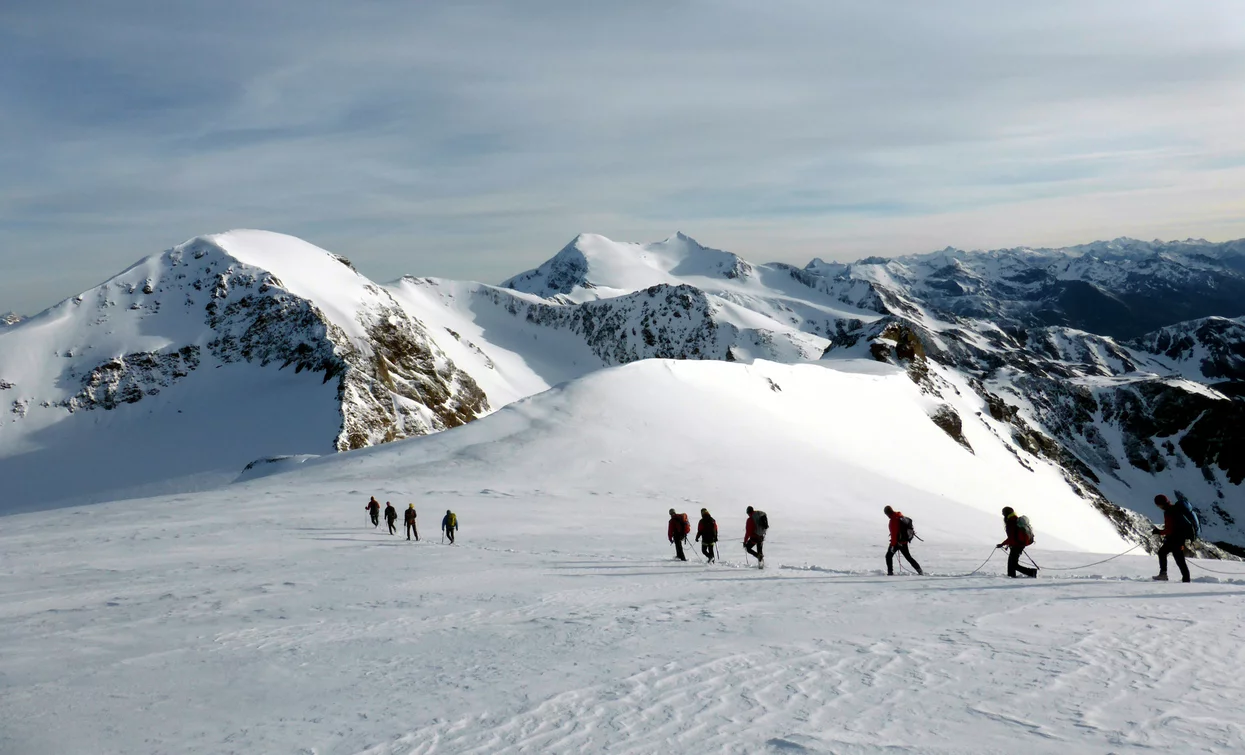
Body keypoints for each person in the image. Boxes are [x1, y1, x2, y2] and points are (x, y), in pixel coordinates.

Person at [1152, 494, 1192, 582]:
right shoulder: (1174, 509)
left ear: (1161, 504)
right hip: (1179, 539)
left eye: (1158, 504)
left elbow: (1169, 529)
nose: (1158, 507)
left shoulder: (1169, 512)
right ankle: (1186, 579)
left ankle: (1164, 574)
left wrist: (1159, 532)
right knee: (1178, 559)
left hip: (1174, 539)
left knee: (1165, 554)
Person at [997, 506, 1037, 578]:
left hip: (1016, 546)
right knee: (1012, 564)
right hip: (1018, 545)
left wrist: (1002, 544)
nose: (1002, 514)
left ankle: (1031, 572)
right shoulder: (1014, 519)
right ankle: (1011, 576)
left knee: (1013, 565)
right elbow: (1013, 537)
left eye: (1003, 513)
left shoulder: (1011, 522)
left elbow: (1011, 537)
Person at [884, 506, 922, 575]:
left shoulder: (893, 520)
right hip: (903, 542)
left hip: (897, 543)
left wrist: (893, 545)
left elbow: (894, 534)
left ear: (887, 513)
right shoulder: (899, 516)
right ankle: (920, 571)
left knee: (888, 556)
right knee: (908, 557)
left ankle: (890, 573)